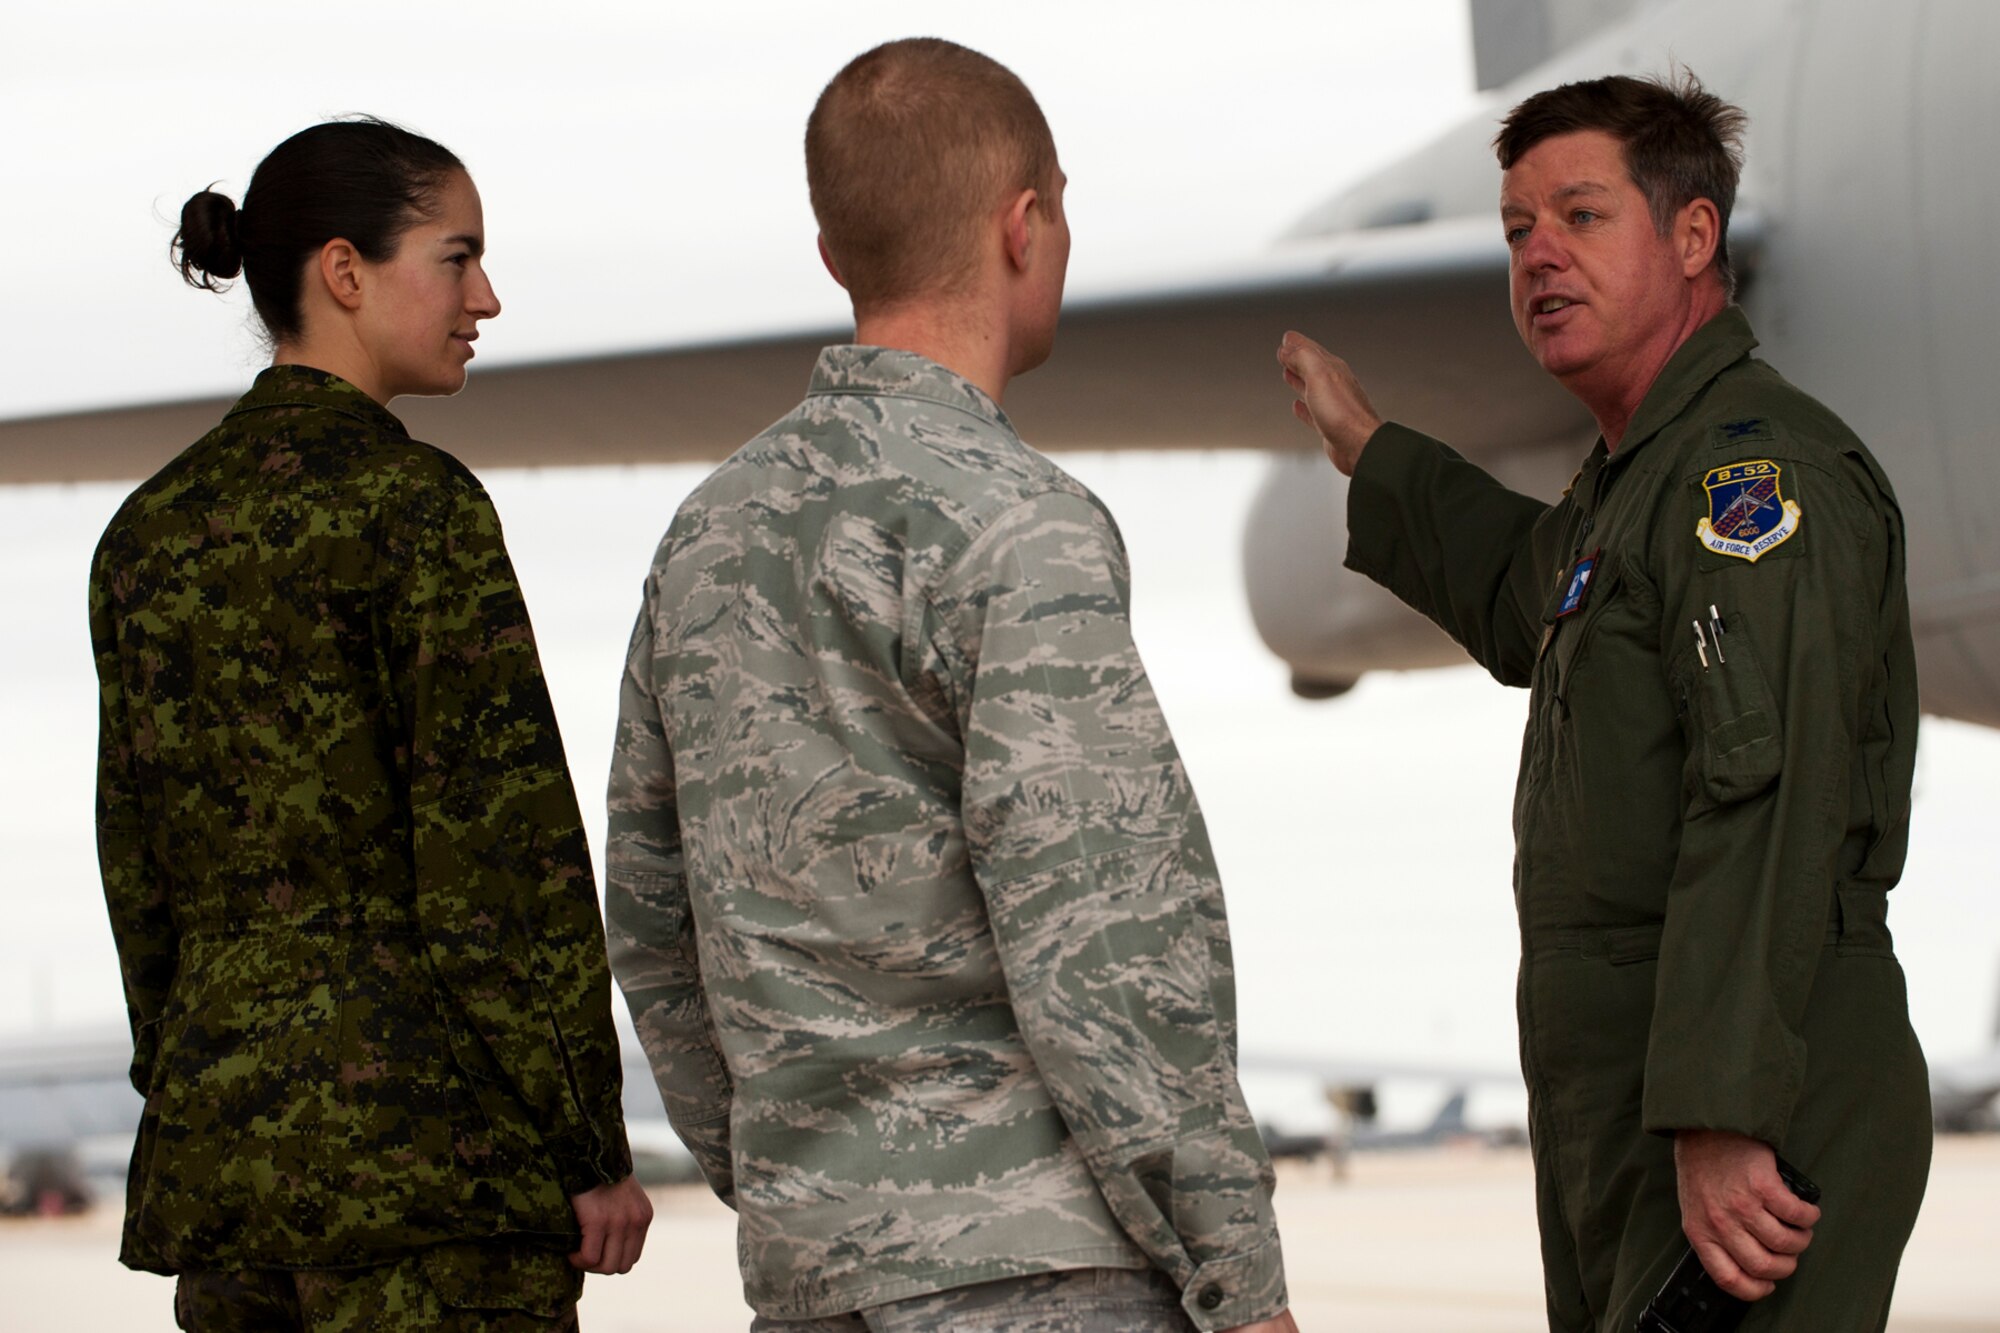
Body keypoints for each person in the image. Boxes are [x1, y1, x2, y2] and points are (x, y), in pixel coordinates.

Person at [606, 38, 1294, 1333]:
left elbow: (650, 922)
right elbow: (1104, 930)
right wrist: (1238, 1273)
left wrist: (802, 1194)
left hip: (817, 1277)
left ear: (835, 255)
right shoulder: (1017, 525)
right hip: (1038, 1273)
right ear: (1025, 226)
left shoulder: (708, 535)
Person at [1278, 72, 1929, 1330]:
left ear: (1692, 238)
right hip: (1634, 1095)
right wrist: (1374, 449)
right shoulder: (1635, 481)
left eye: (1580, 218)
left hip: (1749, 1092)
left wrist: (1722, 1111)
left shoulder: (1752, 478)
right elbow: (1534, 596)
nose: (1537, 257)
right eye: (1518, 230)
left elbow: (1765, 797)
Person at [90, 118, 651, 1331]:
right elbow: (499, 862)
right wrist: (585, 1138)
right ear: (344, 272)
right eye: (457, 258)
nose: (487, 297)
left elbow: (138, 876)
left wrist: (197, 1085)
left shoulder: (147, 532)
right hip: (432, 1183)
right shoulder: (416, 508)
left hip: (230, 1167)